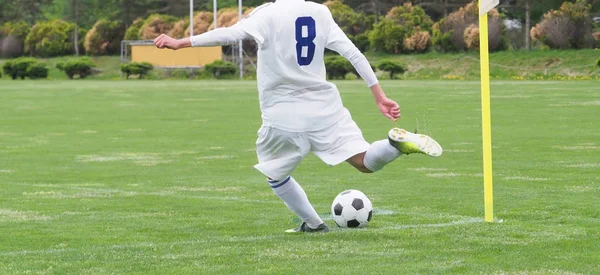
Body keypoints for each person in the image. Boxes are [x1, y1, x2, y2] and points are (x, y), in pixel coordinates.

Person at [153, 0, 443, 233]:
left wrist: (182, 42)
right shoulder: (320, 11)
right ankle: (395, 145)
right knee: (364, 162)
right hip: (324, 106)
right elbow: (353, 53)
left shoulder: (267, 12)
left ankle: (315, 224)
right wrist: (379, 95)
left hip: (283, 112)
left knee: (274, 173)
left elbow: (232, 33)